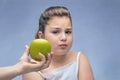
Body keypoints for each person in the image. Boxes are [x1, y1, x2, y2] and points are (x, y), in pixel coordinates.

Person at [22, 6, 94, 80]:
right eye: (55, 32)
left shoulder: (80, 59)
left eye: (68, 32)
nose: (64, 37)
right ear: (42, 36)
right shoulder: (32, 68)